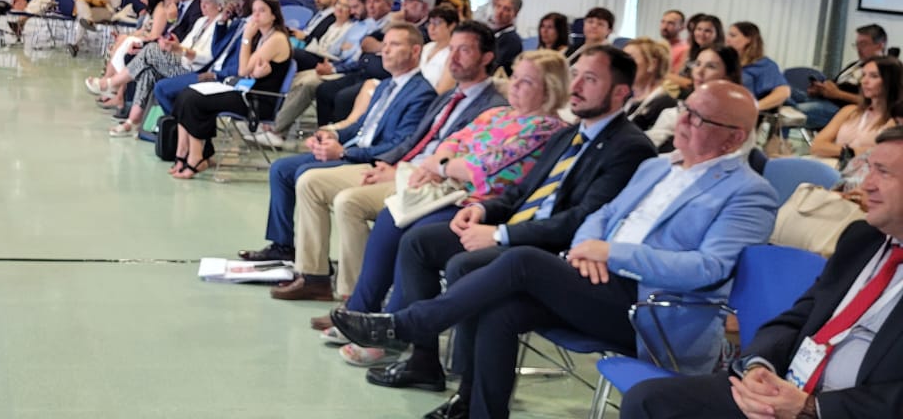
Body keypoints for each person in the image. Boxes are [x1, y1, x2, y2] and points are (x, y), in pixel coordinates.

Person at [332, 81, 779, 419]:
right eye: (685, 110)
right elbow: (603, 214)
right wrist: (587, 247)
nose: (682, 121)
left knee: (522, 261)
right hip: (595, 280)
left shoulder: (749, 193)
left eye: (698, 119)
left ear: (733, 138)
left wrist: (610, 253)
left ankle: (408, 325)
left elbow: (708, 268)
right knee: (502, 310)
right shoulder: (658, 166)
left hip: (652, 309)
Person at [356, 45, 656, 382]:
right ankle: (423, 361)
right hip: (516, 227)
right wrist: (482, 209)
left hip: (551, 249)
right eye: (575, 76)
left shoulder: (629, 147)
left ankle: (462, 378)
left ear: (620, 92)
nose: (576, 87)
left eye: (590, 79)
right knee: (419, 242)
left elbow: (581, 219)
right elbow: (521, 192)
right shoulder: (570, 134)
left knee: (464, 264)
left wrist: (500, 235)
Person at [621, 124, 903, 419]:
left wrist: (812, 407)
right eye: (870, 169)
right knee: (648, 401)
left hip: (843, 409)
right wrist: (759, 365)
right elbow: (798, 317)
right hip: (784, 388)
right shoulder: (862, 240)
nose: (866, 185)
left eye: (883, 173)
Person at [264, 21, 510, 299]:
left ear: (487, 57)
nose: (452, 58)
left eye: (463, 50)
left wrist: (388, 166)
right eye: (451, 49)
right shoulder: (448, 97)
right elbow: (411, 141)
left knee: (347, 200)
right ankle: (314, 276)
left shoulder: (493, 108)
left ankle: (353, 295)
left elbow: (465, 163)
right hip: (401, 167)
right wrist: (387, 163)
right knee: (309, 181)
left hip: (433, 181)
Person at [330, 50, 570, 325]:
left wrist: (442, 166)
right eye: (515, 77)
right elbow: (452, 141)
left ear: (550, 89)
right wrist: (443, 164)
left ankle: (392, 324)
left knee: (418, 234)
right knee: (391, 217)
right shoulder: (497, 113)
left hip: (486, 207)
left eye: (526, 81)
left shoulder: (547, 129)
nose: (514, 85)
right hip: (450, 192)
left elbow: (483, 168)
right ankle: (360, 310)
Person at [245, 22, 435, 298]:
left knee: (306, 175)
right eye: (385, 45)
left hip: (373, 163)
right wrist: (329, 134)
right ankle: (286, 247)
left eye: (394, 45)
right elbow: (360, 129)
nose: (385, 51)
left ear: (415, 51)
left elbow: (398, 146)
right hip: (355, 151)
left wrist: (343, 153)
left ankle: (316, 274)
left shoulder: (421, 92)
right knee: (282, 168)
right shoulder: (386, 85)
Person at [167, 0, 292, 179]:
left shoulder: (277, 39)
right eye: (254, 11)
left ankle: (196, 157)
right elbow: (248, 71)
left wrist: (246, 38)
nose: (256, 15)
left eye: (262, 11)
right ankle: (182, 153)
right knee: (186, 93)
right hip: (244, 91)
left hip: (257, 100)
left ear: (274, 16)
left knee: (195, 100)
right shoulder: (263, 37)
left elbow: (242, 70)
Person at [102, 0, 230, 137]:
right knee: (148, 71)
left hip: (196, 70)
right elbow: (185, 45)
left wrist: (179, 49)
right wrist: (174, 45)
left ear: (220, 5)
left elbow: (207, 57)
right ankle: (132, 121)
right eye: (202, 1)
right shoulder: (201, 21)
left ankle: (113, 83)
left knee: (150, 50)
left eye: (207, 3)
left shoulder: (222, 25)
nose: (202, 6)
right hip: (182, 62)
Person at [257, 0, 370, 146]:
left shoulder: (356, 27)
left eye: (348, 7)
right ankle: (271, 122)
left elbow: (343, 55)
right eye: (340, 5)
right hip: (332, 64)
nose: (343, 9)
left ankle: (277, 129)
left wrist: (333, 66)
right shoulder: (336, 25)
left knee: (307, 83)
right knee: (295, 79)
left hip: (340, 69)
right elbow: (337, 49)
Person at [86, 0, 171, 100]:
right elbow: (143, 30)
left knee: (126, 41)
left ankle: (110, 83)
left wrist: (131, 37)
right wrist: (127, 35)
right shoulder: (153, 9)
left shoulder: (160, 10)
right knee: (122, 39)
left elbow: (154, 35)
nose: (141, 0)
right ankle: (110, 83)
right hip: (146, 39)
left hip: (153, 45)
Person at [648, 46, 743, 151]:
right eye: (697, 64)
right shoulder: (673, 114)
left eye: (711, 66)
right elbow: (648, 147)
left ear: (729, 76)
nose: (699, 71)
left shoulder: (739, 117)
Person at [811, 56, 903, 161]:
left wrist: (835, 150)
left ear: (890, 81)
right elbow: (817, 146)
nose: (864, 81)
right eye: (863, 75)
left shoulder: (896, 121)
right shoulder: (849, 111)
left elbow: (883, 154)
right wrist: (852, 152)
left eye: (874, 76)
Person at [799, 25, 891, 130]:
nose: (859, 49)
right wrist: (822, 89)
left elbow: (878, 102)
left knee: (792, 112)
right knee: (788, 93)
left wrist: (839, 94)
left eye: (863, 44)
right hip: (825, 101)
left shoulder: (886, 68)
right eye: (857, 44)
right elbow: (835, 85)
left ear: (880, 45)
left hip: (843, 109)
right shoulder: (855, 65)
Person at [728, 21, 791, 111]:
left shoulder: (764, 64)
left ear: (748, 39)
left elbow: (783, 92)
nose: (727, 39)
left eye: (733, 36)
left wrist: (752, 108)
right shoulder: (727, 62)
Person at [624, 37, 679, 132]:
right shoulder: (625, 99)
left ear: (652, 64)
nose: (621, 64)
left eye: (630, 58)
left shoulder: (666, 104)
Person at [669, 14, 725, 92]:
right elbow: (677, 75)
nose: (701, 34)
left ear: (717, 34)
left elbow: (696, 84)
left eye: (707, 31)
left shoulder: (718, 56)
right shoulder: (689, 51)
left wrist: (665, 76)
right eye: (699, 29)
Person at [420, 5, 460, 95]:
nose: (431, 28)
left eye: (437, 23)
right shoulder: (426, 47)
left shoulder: (454, 54)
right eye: (430, 23)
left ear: (452, 26)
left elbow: (442, 91)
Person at [490, 0, 524, 77]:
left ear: (515, 13)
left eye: (506, 9)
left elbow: (495, 67)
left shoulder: (511, 40)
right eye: (498, 6)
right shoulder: (494, 33)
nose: (500, 12)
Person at [660, 9, 689, 74]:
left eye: (671, 23)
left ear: (682, 27)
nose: (664, 26)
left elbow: (676, 75)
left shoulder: (685, 49)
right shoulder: (657, 46)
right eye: (663, 22)